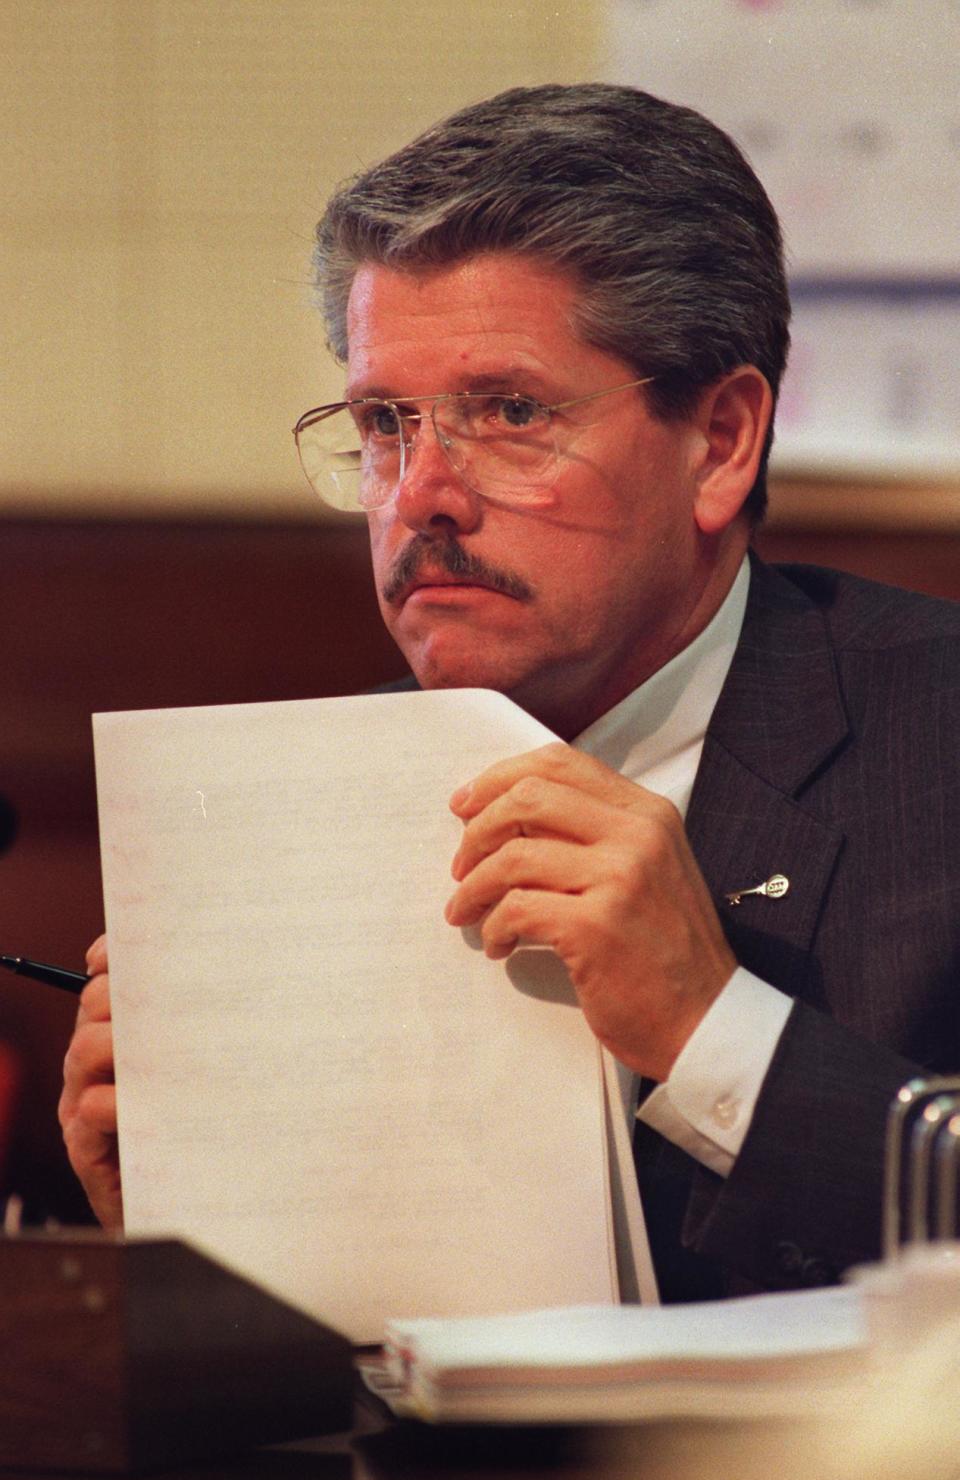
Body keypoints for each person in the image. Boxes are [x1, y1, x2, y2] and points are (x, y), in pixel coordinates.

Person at [60, 83, 960, 1301]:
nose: (421, 491)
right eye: (385, 420)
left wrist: (714, 1034)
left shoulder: (935, 733)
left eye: (510, 411)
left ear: (723, 440)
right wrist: (185, 1247)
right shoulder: (303, 802)